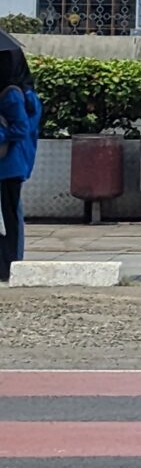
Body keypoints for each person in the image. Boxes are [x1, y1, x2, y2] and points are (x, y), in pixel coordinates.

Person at [0, 29, 39, 283]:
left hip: (9, 166)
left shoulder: (11, 94)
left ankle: (12, 264)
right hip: (7, 164)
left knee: (11, 214)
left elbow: (21, 128)